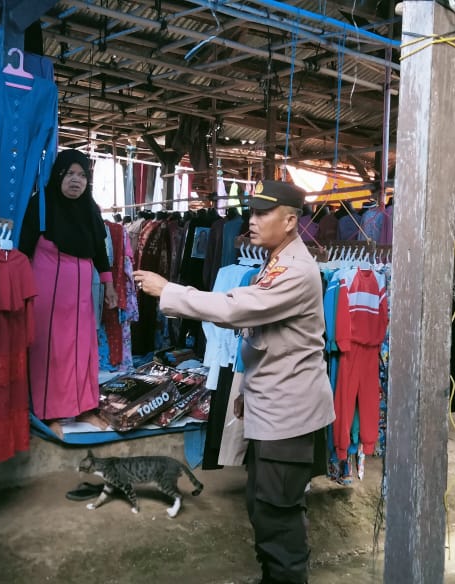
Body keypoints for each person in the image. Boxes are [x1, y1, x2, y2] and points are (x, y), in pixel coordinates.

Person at [134, 180, 335, 584]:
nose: (252, 220)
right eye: (252, 211)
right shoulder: (276, 260)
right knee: (264, 506)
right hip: (274, 406)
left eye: (263, 213)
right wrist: (244, 389)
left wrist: (169, 290)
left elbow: (236, 308)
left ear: (291, 220)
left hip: (289, 414)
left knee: (277, 516)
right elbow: (267, 338)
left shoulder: (295, 270)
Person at [19, 149, 118, 423]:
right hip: (48, 294)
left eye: (82, 175)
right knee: (50, 350)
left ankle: (83, 407)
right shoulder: (41, 205)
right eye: (70, 174)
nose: (76, 181)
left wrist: (108, 285)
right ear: (58, 175)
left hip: (82, 295)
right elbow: (24, 249)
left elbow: (99, 249)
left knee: (82, 348)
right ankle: (48, 412)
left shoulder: (90, 209)